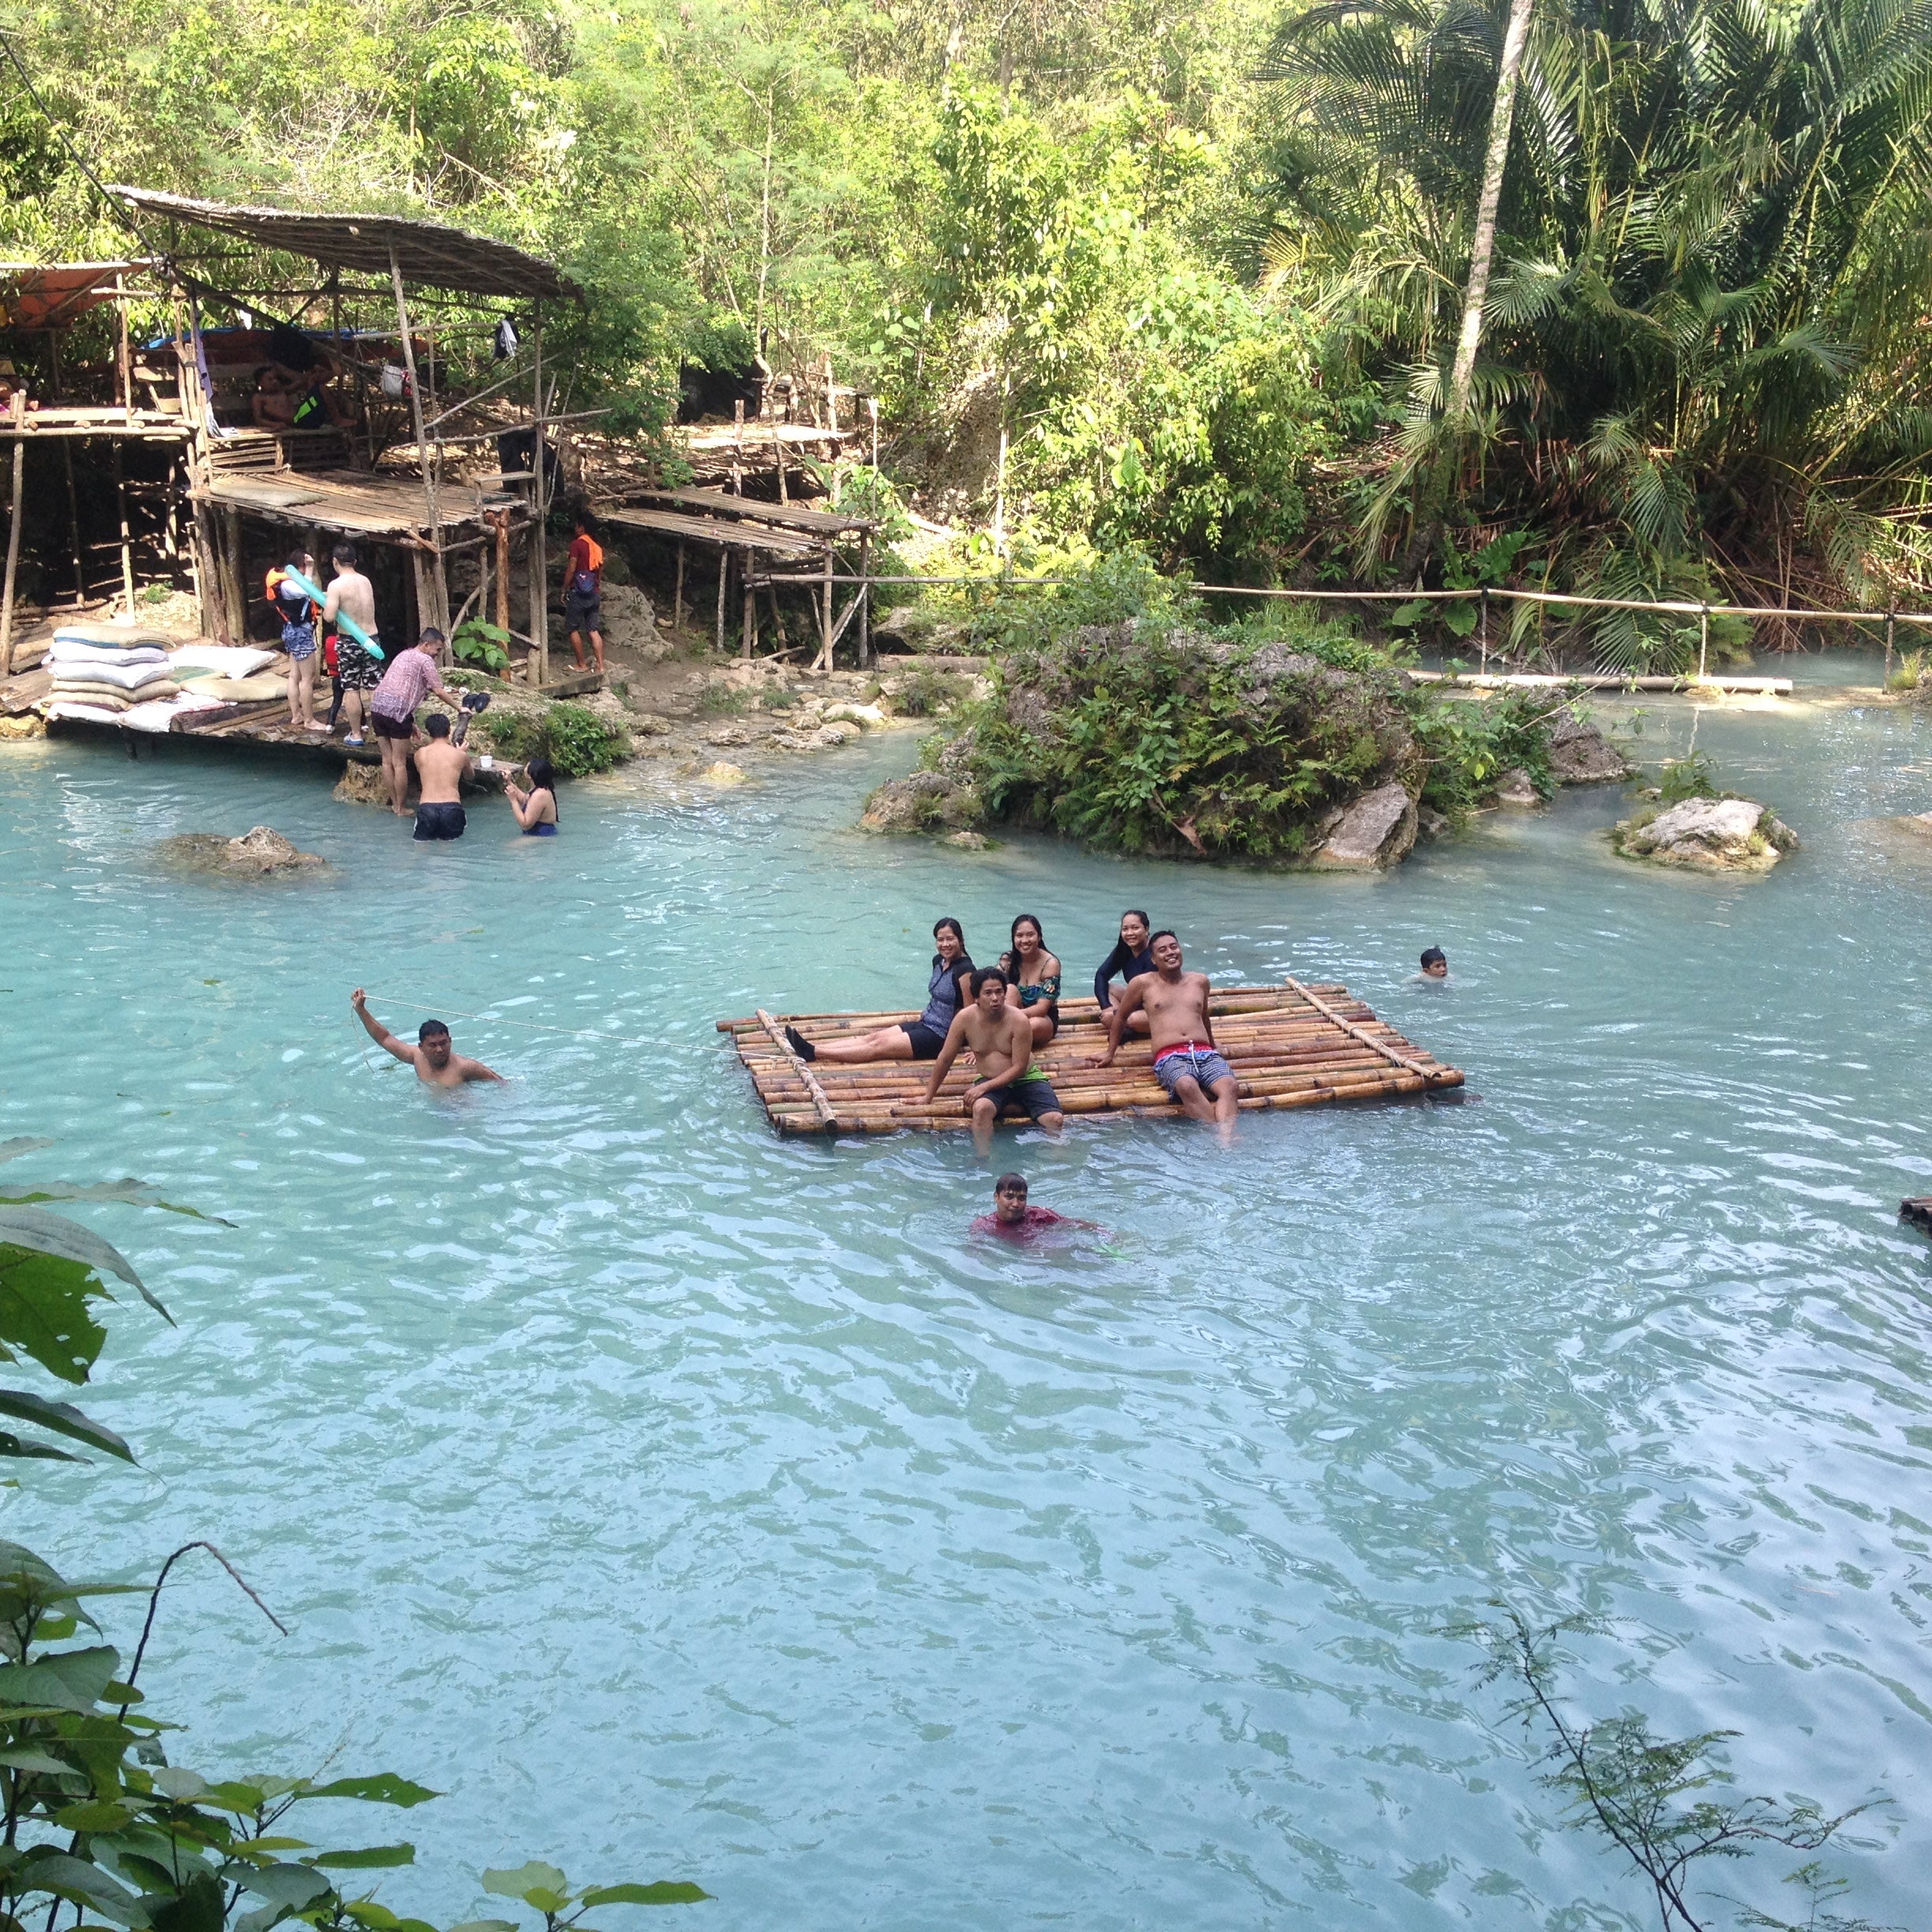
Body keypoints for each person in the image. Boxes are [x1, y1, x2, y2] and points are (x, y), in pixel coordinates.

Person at [1093, 930, 1239, 1134]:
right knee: (1187, 1086)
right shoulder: (1143, 984)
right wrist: (1110, 1052)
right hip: (1169, 1056)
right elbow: (1120, 1017)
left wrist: (1213, 1046)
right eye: (1162, 950)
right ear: (1153, 959)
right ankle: (1216, 1136)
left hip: (1204, 1052)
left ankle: (1226, 1138)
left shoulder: (1200, 981)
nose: (1170, 953)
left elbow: (1203, 1017)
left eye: (1174, 947)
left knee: (1230, 1086)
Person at [785, 919, 974, 1064]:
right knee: (872, 1037)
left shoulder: (965, 971)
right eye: (940, 940)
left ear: (960, 939)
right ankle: (815, 1047)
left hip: (942, 1037)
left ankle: (814, 1053)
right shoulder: (938, 961)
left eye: (950, 939)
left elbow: (971, 1013)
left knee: (878, 1047)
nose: (945, 944)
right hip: (925, 1023)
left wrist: (975, 1049)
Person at [922, 967, 1065, 1155]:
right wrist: (928, 1097)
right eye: (988, 993)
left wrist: (982, 1088)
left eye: (999, 991)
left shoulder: (1019, 1020)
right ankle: (984, 1158)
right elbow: (945, 1058)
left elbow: (1020, 1068)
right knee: (981, 1109)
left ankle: (1053, 1162)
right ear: (976, 998)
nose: (995, 998)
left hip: (1026, 1079)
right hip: (991, 1079)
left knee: (1055, 1119)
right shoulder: (964, 1019)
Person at [369, 626, 462, 815]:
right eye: (437, 650)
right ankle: (401, 808)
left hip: (377, 707)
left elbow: (399, 687)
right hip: (397, 713)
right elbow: (438, 690)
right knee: (399, 762)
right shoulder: (425, 660)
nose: (437, 654)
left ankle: (394, 804)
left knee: (387, 761)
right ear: (426, 645)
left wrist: (411, 723)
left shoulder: (404, 654)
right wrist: (460, 708)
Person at [350, 990, 501, 1085]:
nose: (440, 1049)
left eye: (444, 1043)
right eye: (433, 1045)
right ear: (421, 1047)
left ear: (450, 1041)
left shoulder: (466, 1067)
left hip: (461, 1111)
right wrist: (361, 1010)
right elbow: (384, 1038)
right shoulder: (416, 1057)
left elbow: (501, 1084)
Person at [322, 543, 381, 745]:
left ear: (335, 562)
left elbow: (329, 617)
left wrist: (326, 604)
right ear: (355, 562)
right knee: (374, 687)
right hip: (372, 639)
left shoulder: (336, 585)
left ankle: (356, 735)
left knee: (351, 688)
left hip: (350, 640)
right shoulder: (366, 581)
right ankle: (380, 732)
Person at [265, 549, 325, 732]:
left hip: (292, 630)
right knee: (308, 678)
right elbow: (306, 589)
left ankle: (296, 715)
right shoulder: (288, 585)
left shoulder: (286, 582)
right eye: (303, 566)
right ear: (298, 567)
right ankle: (309, 720)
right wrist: (309, 570)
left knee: (295, 675)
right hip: (299, 632)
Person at [972, 1173, 1096, 1241]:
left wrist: (1106, 1235)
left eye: (1022, 1198)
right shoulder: (984, 1226)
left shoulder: (1040, 1216)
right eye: (1009, 1197)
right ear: (996, 1197)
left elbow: (1073, 1224)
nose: (1016, 1204)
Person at [998, 913, 1061, 1044]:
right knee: (1010, 989)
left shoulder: (1050, 964)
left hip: (1043, 1018)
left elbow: (1042, 1008)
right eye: (1019, 936)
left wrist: (1011, 1018)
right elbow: (988, 984)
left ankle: (999, 1043)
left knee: (1031, 1026)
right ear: (1013, 938)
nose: (1025, 940)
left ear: (1039, 937)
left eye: (1030, 935)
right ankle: (1003, 1041)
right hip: (1010, 1019)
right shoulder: (1008, 961)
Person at [1093, 909, 1155, 1036]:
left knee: (1132, 1019)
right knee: (1109, 988)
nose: (1130, 933)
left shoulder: (1154, 954)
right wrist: (1107, 1007)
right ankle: (1125, 1028)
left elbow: (1149, 997)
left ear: (1146, 929)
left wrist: (1117, 1015)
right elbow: (1101, 975)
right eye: (1125, 929)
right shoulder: (1124, 949)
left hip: (1158, 1008)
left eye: (1135, 928)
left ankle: (1130, 1030)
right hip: (1137, 1003)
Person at [411, 711, 471, 841]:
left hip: (427, 808)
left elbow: (421, 772)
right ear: (449, 730)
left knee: (421, 848)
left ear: (428, 732)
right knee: (449, 852)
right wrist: (460, 754)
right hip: (452, 808)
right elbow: (470, 776)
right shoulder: (460, 755)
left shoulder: (420, 754)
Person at [564, 510, 605, 674]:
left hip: (579, 593)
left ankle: (582, 664)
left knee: (572, 628)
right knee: (593, 630)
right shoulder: (597, 547)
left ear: (581, 528)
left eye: (576, 526)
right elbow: (600, 570)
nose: (575, 529)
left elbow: (572, 567)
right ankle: (601, 666)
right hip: (594, 593)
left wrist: (565, 587)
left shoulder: (577, 544)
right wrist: (596, 584)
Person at [505, 755, 559, 835]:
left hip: (542, 835)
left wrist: (513, 801)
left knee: (510, 847)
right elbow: (525, 801)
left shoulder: (539, 795)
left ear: (532, 775)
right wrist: (509, 781)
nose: (525, 767)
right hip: (539, 833)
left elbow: (525, 824)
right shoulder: (539, 788)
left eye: (527, 766)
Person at [251, 365, 295, 429]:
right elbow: (258, 419)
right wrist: (275, 424)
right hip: (278, 426)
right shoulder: (259, 397)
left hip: (296, 423)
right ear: (261, 383)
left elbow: (299, 383)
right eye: (270, 379)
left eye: (275, 378)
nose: (275, 382)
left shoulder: (283, 391)